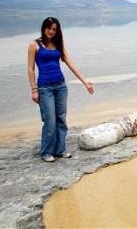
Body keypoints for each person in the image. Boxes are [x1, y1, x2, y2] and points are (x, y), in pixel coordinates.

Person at [27, 17, 94, 162]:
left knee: (61, 120)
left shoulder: (58, 44)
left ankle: (59, 150)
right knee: (50, 121)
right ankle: (46, 152)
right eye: (49, 28)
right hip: (45, 88)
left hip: (61, 86)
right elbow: (30, 69)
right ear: (43, 28)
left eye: (54, 29)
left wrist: (85, 82)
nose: (51, 31)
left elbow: (70, 63)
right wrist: (34, 90)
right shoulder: (34, 44)